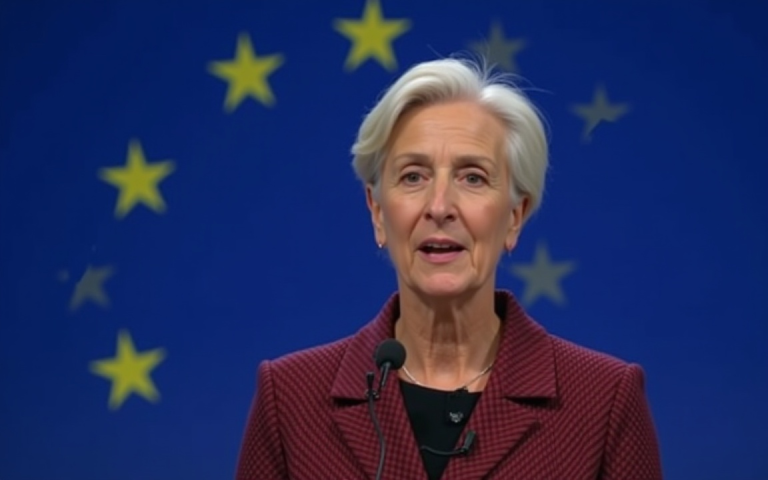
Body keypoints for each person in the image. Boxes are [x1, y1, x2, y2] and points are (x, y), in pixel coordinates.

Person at [234, 56, 662, 480]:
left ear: (515, 216)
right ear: (378, 212)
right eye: (413, 176)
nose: (439, 207)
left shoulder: (604, 400)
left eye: (472, 177)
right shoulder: (289, 399)